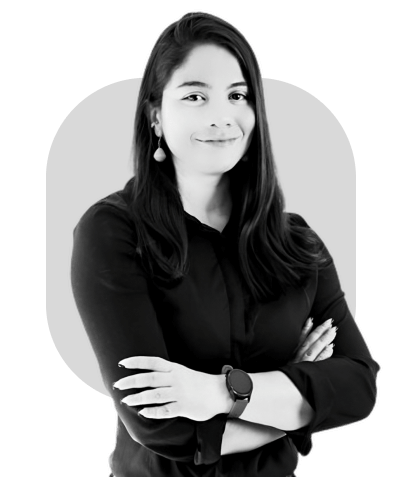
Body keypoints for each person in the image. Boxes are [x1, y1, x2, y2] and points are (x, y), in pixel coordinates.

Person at [70, 11, 378, 477]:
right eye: (195, 96)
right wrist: (294, 399)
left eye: (238, 95)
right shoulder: (113, 231)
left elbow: (358, 387)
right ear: (156, 116)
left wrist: (220, 392)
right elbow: (163, 429)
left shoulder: (297, 242)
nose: (222, 117)